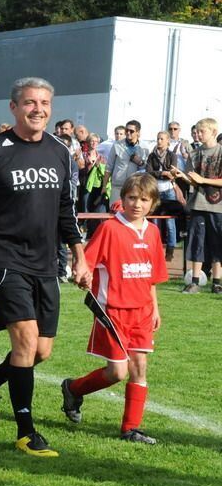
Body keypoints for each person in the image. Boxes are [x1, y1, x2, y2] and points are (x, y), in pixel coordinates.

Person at [0, 77, 90, 458]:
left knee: (41, 352)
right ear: (14, 108)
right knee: (26, 342)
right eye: (30, 102)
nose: (38, 109)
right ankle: (26, 432)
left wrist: (79, 255)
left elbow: (68, 210)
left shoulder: (62, 152)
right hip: (5, 259)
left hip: (47, 262)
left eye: (45, 103)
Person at [61, 173, 167, 444]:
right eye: (132, 197)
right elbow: (87, 260)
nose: (137, 204)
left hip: (142, 312)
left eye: (144, 199)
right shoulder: (110, 229)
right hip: (112, 311)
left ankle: (130, 428)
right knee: (117, 372)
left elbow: (151, 276)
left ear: (152, 203)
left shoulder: (153, 232)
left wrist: (155, 308)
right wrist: (82, 273)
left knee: (140, 366)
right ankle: (74, 389)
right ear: (123, 199)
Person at [183, 118, 222, 294]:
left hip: (218, 206)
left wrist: (203, 180)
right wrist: (179, 176)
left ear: (213, 132)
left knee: (217, 243)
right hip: (198, 204)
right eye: (197, 131)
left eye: (202, 131)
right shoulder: (194, 153)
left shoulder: (221, 152)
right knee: (197, 242)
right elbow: (192, 179)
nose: (198, 134)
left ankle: (217, 282)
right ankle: (195, 281)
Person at [146, 131, 181, 260]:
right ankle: (156, 248)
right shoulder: (152, 156)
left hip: (168, 190)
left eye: (162, 139)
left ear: (168, 141)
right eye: (158, 138)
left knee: (169, 221)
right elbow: (149, 172)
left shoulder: (172, 156)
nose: (159, 141)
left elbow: (173, 172)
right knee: (155, 221)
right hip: (156, 191)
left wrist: (166, 174)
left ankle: (170, 251)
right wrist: (162, 174)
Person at [106, 120, 149, 206]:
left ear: (138, 132)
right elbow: (108, 167)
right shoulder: (117, 145)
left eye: (131, 131)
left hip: (134, 187)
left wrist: (140, 162)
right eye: (126, 130)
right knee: (115, 212)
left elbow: (146, 169)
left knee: (130, 214)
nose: (128, 133)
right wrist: (104, 186)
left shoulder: (144, 148)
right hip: (117, 186)